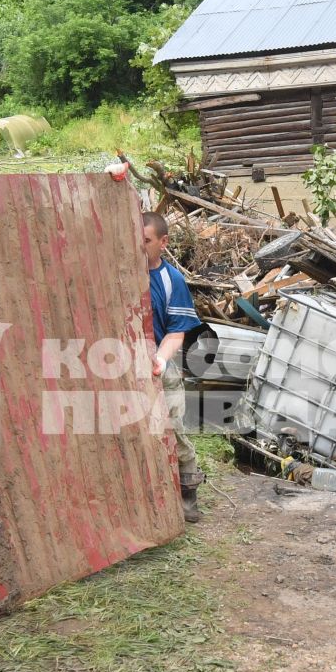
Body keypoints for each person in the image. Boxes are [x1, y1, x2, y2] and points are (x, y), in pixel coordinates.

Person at [140, 211, 203, 523]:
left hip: (160, 366)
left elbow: (177, 332)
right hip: (120, 365)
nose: (139, 247)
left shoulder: (170, 280)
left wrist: (161, 361)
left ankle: (188, 491)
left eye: (146, 241)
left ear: (162, 243)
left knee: (173, 429)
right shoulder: (118, 272)